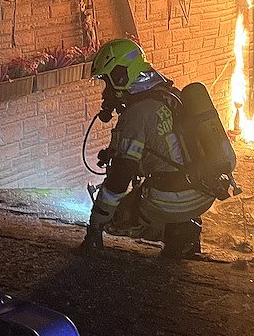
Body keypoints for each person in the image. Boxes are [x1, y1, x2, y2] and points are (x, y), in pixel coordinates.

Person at [78, 38, 213, 259]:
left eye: (107, 83)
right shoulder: (169, 94)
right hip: (202, 190)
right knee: (162, 182)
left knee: (117, 218)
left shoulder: (136, 114)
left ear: (121, 76)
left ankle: (176, 232)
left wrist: (96, 221)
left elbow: (120, 179)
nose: (105, 92)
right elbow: (165, 149)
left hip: (176, 198)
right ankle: (185, 234)